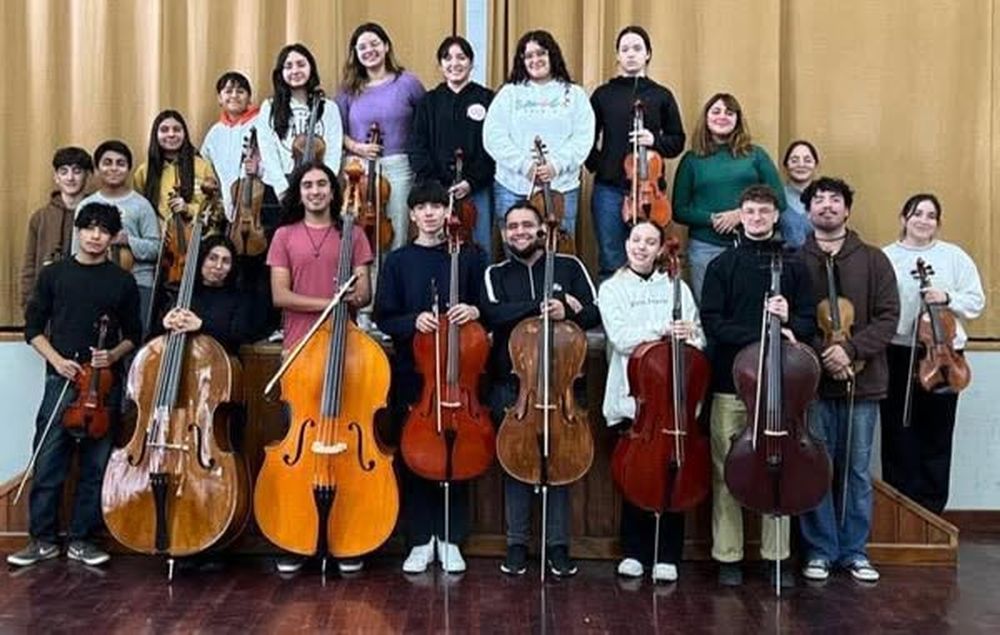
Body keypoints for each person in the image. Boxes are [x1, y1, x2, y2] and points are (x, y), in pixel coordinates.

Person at [8, 202, 141, 568]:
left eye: (104, 231)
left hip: (103, 383)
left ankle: (83, 538)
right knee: (49, 461)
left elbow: (134, 334)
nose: (96, 236)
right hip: (61, 380)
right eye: (90, 229)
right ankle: (42, 540)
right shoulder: (54, 276)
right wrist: (57, 361)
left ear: (113, 238)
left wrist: (111, 355)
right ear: (78, 232)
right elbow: (33, 329)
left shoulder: (121, 281)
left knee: (96, 465)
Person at [700, 185, 816, 587]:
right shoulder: (723, 265)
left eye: (764, 212)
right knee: (726, 470)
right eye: (749, 211)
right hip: (731, 383)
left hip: (781, 390)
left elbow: (809, 324)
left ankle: (776, 556)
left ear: (775, 216)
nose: (756, 218)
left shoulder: (795, 265)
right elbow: (713, 322)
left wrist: (787, 322)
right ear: (741, 214)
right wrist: (760, 332)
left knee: (779, 470)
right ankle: (728, 556)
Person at [265, 162, 373, 575]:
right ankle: (297, 538)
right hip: (298, 350)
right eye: (307, 185)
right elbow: (280, 294)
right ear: (300, 191)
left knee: (343, 446)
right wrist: (328, 303)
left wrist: (351, 296)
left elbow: (363, 293)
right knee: (303, 447)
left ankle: (347, 537)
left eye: (322, 184)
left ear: (333, 191)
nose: (315, 191)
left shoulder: (354, 235)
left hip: (346, 351)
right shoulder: (284, 236)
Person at [481, 201, 599, 577]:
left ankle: (558, 546)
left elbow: (597, 309)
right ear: (503, 234)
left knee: (560, 461)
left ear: (542, 230)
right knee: (517, 463)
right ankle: (516, 544)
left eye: (527, 225)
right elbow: (493, 313)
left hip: (561, 384)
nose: (519, 232)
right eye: (512, 227)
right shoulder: (495, 273)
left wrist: (572, 312)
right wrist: (544, 304)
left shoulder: (570, 266)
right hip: (515, 388)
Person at [373, 180, 486, 574]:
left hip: (460, 374)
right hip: (416, 376)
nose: (430, 214)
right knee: (416, 454)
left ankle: (453, 538)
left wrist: (473, 312)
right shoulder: (399, 261)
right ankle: (420, 539)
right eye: (422, 208)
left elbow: (486, 307)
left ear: (447, 212)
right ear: (412, 214)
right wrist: (411, 320)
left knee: (459, 453)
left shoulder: (469, 256)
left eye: (437, 206)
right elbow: (383, 315)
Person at [798, 177, 899, 583]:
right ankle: (820, 550)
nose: (826, 206)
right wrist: (826, 355)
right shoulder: (795, 258)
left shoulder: (874, 259)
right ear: (807, 212)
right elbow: (792, 321)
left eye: (834, 200)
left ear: (847, 210)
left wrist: (851, 351)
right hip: (815, 384)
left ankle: (855, 551)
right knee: (818, 467)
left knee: (856, 470)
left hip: (865, 382)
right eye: (818, 200)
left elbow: (889, 316)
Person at [598, 220, 703, 583]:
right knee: (636, 474)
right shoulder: (612, 288)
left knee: (674, 473)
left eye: (650, 241)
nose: (641, 247)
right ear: (626, 244)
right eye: (635, 240)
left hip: (673, 399)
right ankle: (634, 550)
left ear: (661, 249)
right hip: (634, 400)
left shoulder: (677, 288)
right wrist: (661, 331)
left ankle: (667, 553)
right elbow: (622, 337)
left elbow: (698, 338)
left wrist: (688, 335)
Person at [880, 194, 984, 514]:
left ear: (938, 223)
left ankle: (932, 513)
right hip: (900, 352)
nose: (923, 220)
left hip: (943, 357)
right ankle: (902, 511)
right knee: (898, 432)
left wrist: (946, 296)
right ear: (903, 218)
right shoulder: (886, 257)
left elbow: (976, 301)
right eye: (916, 213)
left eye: (930, 215)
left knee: (937, 436)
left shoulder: (954, 257)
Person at [586, 25, 685, 279]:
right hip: (609, 189)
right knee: (610, 256)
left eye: (637, 48)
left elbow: (678, 141)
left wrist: (655, 141)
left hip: (649, 193)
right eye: (625, 49)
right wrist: (601, 165)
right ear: (618, 56)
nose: (631, 54)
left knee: (649, 257)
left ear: (648, 54)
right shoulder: (603, 94)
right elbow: (586, 139)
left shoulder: (661, 95)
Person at [483, 30, 595, 247]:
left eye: (541, 53)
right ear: (521, 61)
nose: (535, 60)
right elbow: (493, 136)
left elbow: (583, 137)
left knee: (560, 250)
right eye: (528, 56)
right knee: (516, 250)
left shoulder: (574, 94)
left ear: (552, 55)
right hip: (512, 187)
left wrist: (556, 165)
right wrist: (524, 166)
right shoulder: (509, 93)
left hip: (561, 188)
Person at [672, 93, 786, 302]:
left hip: (752, 245)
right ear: (706, 119)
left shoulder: (755, 155)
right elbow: (679, 209)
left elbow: (779, 199)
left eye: (729, 112)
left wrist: (739, 215)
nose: (722, 116)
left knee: (750, 306)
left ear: (737, 119)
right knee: (709, 308)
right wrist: (713, 219)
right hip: (705, 248)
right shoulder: (692, 160)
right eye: (716, 111)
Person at [336, 23, 425, 252]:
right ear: (355, 53)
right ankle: (365, 283)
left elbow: (424, 124)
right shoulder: (348, 89)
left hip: (398, 166)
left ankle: (391, 284)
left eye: (375, 44)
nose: (369, 50)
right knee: (361, 233)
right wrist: (358, 147)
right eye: (362, 47)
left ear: (386, 47)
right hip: (360, 168)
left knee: (397, 229)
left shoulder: (408, 83)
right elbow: (337, 131)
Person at [408, 36, 495, 259]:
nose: (454, 63)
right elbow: (417, 146)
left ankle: (477, 294)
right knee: (438, 248)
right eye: (447, 58)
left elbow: (494, 148)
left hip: (476, 189)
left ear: (471, 63)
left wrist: (472, 181)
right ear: (440, 65)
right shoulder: (429, 101)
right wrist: (437, 184)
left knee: (479, 247)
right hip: (438, 191)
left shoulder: (487, 98)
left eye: (461, 57)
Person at [72, 140, 161, 336]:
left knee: (135, 342)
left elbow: (156, 249)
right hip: (94, 283)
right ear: (97, 168)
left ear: (129, 169)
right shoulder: (87, 204)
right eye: (107, 162)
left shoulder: (142, 205)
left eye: (120, 163)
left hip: (138, 283)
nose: (114, 168)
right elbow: (75, 249)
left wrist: (128, 240)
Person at [257, 43, 343, 202]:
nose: (295, 71)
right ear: (280, 72)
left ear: (311, 68)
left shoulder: (329, 107)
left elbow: (333, 152)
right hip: (279, 186)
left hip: (317, 187)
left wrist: (323, 186)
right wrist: (282, 190)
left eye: (301, 65)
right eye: (288, 66)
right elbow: (267, 150)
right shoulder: (269, 106)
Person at [157, 234, 264, 354]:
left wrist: (201, 325)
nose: (218, 266)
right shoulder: (179, 293)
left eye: (225, 261)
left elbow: (237, 338)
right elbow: (152, 338)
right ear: (202, 259)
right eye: (212, 258)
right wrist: (163, 323)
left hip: (220, 364)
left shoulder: (239, 298)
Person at [20, 147, 93, 312]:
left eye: (77, 171)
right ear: (56, 177)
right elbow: (29, 266)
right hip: (49, 303)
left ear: (87, 175)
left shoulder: (98, 214)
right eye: (64, 171)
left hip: (87, 301)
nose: (70, 177)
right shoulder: (40, 217)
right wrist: (28, 304)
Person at [134, 110, 222, 230]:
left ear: (184, 133)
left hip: (199, 238)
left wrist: (189, 209)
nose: (171, 134)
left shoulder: (202, 166)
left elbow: (217, 208)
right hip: (160, 241)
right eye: (164, 130)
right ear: (155, 134)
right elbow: (139, 212)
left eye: (177, 129)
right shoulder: (143, 172)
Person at [201, 71, 262, 222]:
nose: (234, 95)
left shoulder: (262, 122)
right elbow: (205, 166)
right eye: (228, 91)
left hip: (258, 203)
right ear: (220, 99)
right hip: (226, 209)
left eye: (240, 91)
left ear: (249, 98)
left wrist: (259, 168)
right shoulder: (215, 133)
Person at [779, 140, 819, 248]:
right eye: (794, 160)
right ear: (786, 165)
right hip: (784, 260)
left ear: (815, 165)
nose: (801, 165)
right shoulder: (777, 195)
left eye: (807, 160)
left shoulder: (825, 198)